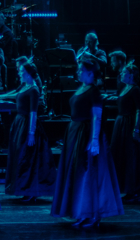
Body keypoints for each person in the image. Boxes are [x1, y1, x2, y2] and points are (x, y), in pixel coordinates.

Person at [51, 60, 123, 229]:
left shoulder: (94, 91)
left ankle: (92, 215)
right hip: (75, 134)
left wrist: (95, 140)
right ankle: (82, 212)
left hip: (86, 134)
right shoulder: (81, 88)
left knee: (88, 174)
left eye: (81, 70)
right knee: (77, 175)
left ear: (90, 73)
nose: (78, 72)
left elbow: (97, 116)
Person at [2, 61, 56, 202]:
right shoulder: (24, 86)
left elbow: (33, 113)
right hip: (20, 123)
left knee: (27, 158)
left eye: (22, 71)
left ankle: (30, 190)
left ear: (28, 73)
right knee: (20, 156)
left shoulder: (34, 90)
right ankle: (24, 189)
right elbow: (15, 95)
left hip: (27, 125)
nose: (19, 73)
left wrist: (31, 133)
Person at [107, 62, 140, 203]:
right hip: (121, 124)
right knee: (123, 157)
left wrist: (136, 129)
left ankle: (136, 191)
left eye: (124, 72)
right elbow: (122, 101)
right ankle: (129, 190)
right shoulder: (124, 87)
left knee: (133, 158)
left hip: (130, 125)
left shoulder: (135, 90)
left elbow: (139, 110)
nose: (121, 74)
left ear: (131, 75)